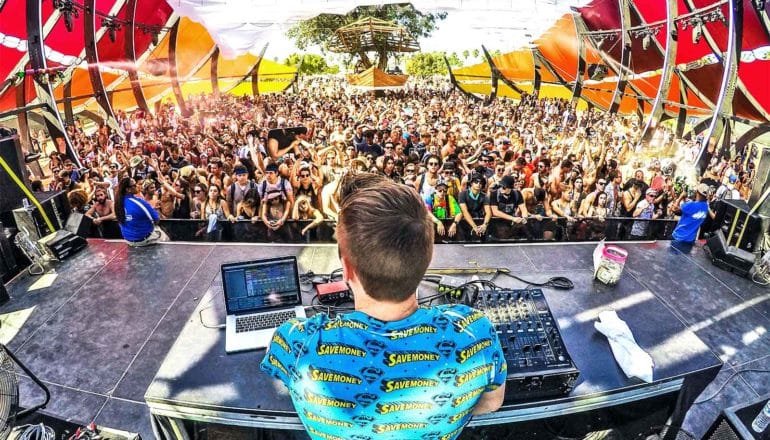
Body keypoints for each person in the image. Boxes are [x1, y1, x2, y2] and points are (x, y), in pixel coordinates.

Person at [261, 173, 506, 440]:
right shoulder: (475, 332)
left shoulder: (298, 341)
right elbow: (491, 403)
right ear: (428, 256)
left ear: (346, 268)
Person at [113, 177, 163, 247]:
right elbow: (157, 220)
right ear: (128, 190)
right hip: (144, 240)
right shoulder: (139, 202)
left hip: (128, 240)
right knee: (166, 238)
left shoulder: (117, 203)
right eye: (134, 185)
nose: (137, 186)